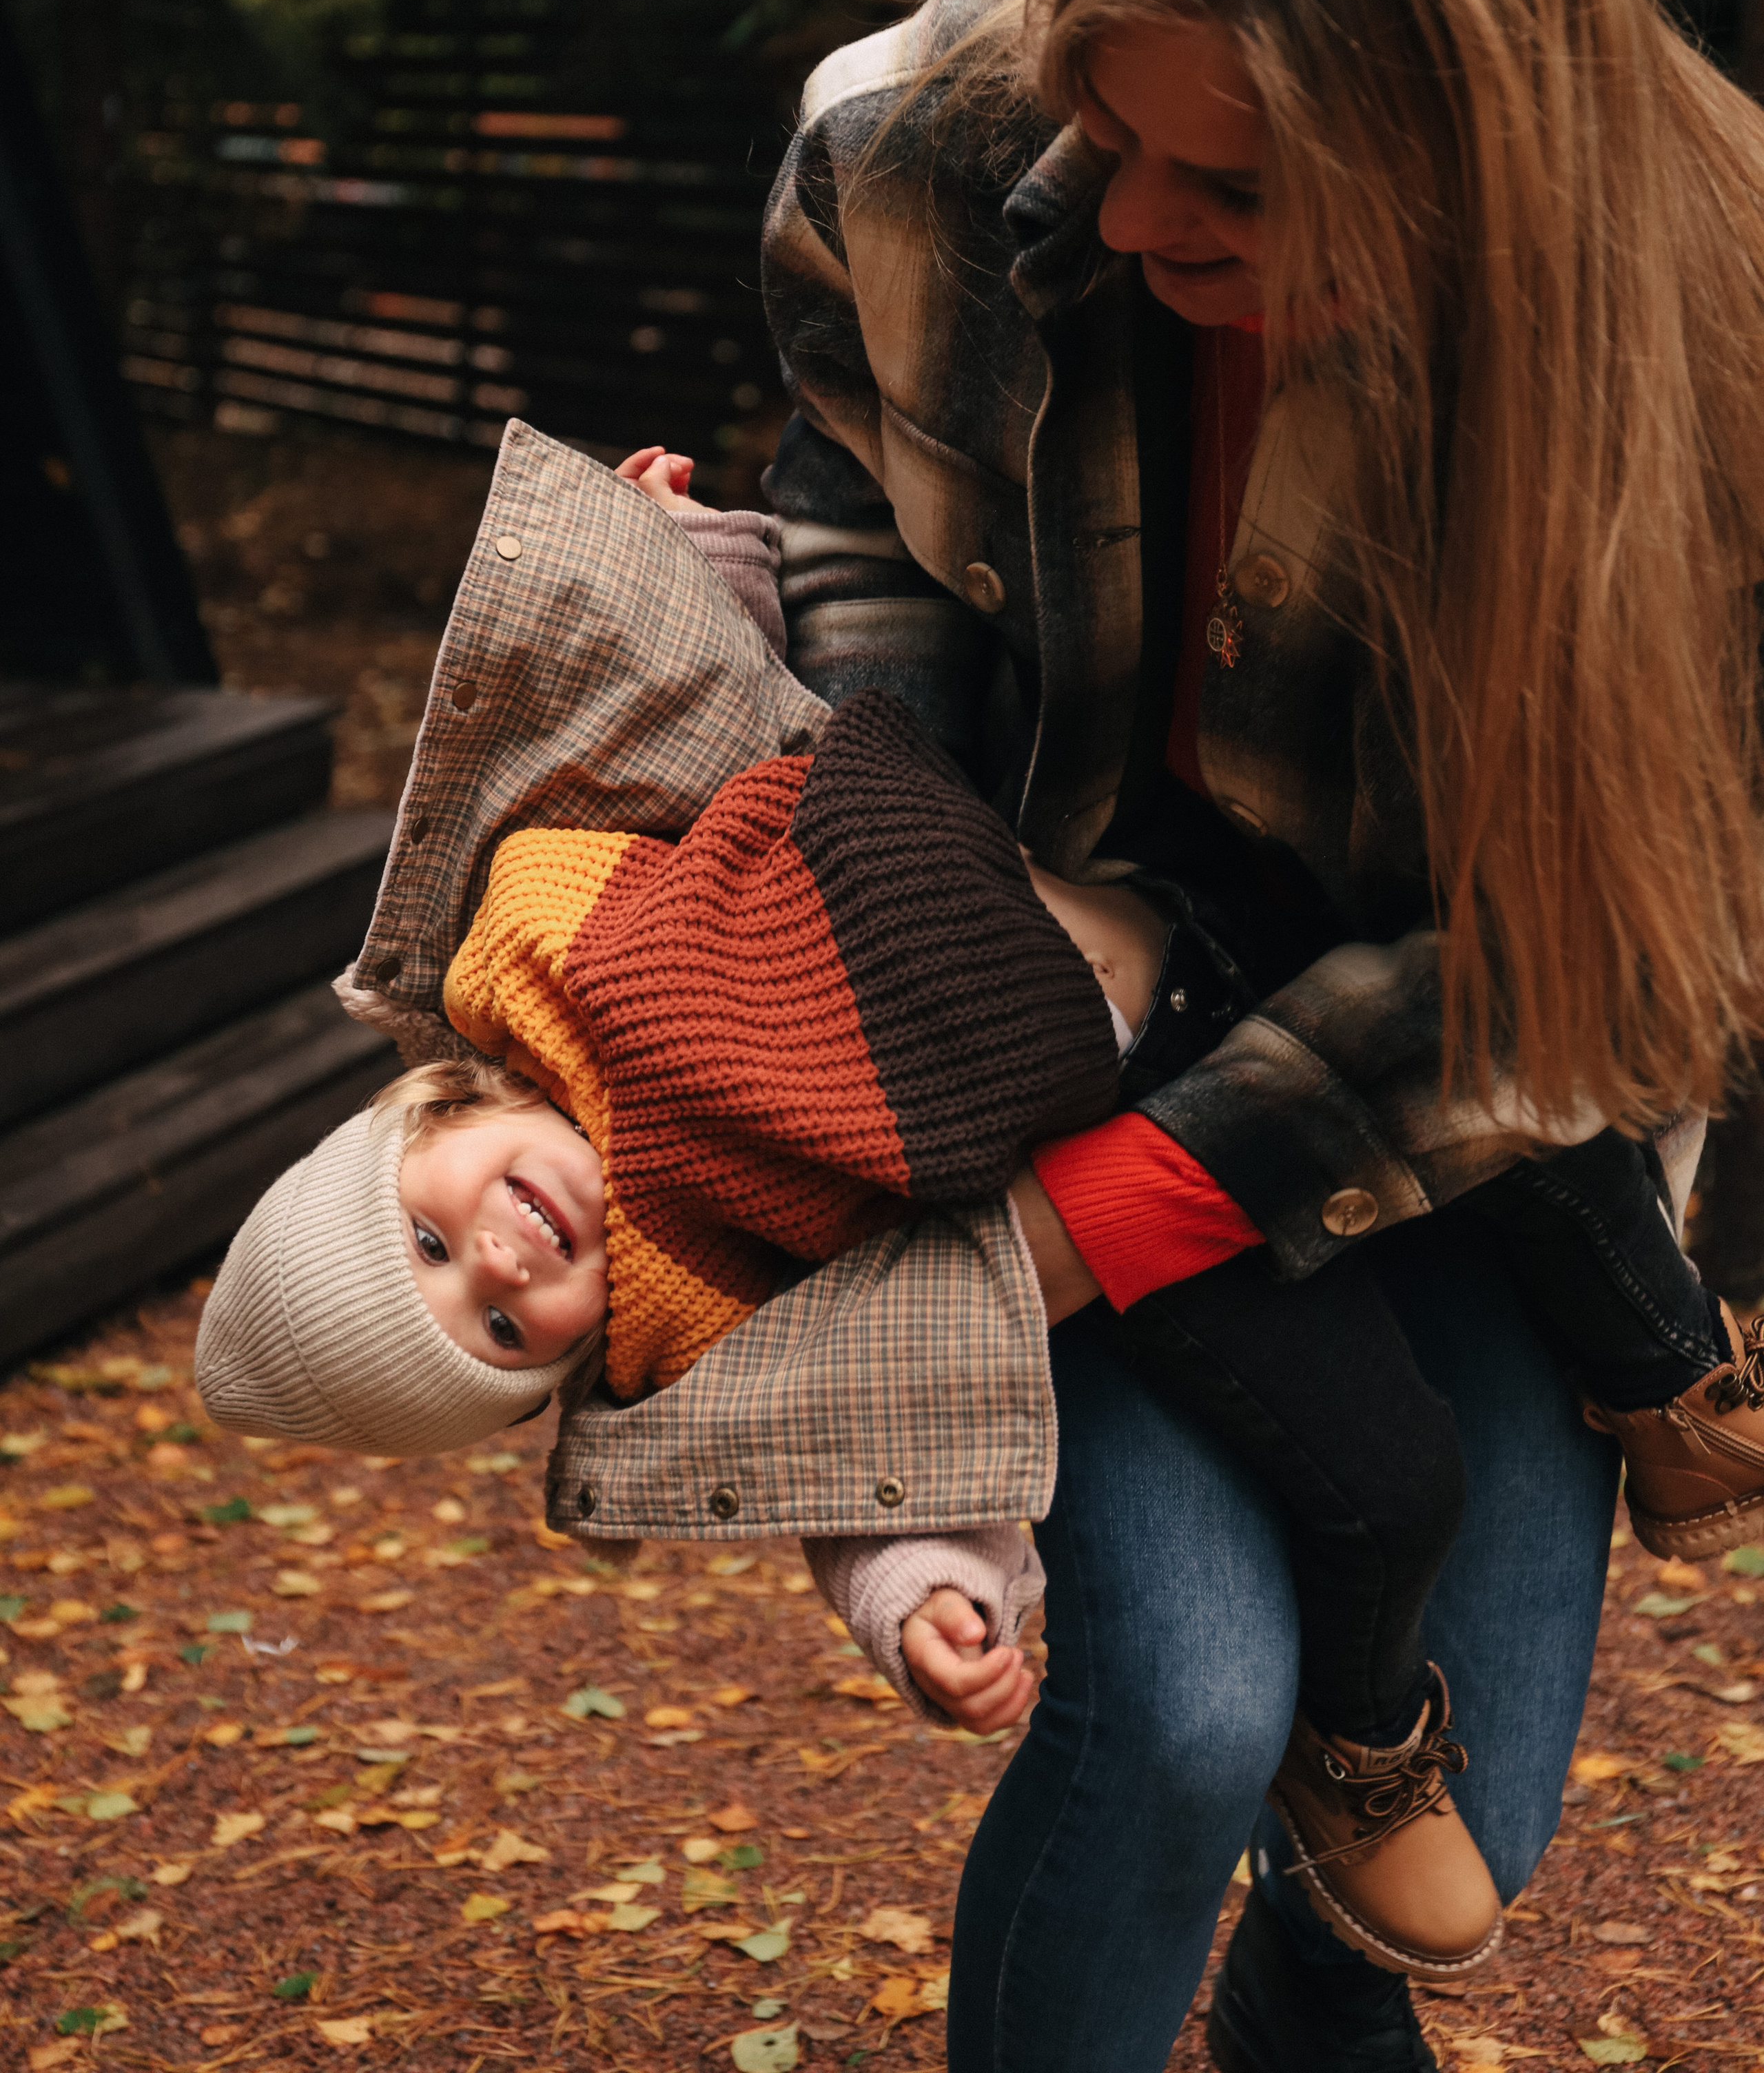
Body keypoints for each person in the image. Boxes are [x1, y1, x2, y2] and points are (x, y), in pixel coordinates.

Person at [754, 0, 1764, 2071]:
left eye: (1235, 189)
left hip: (1470, 1107)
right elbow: (840, 473)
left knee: (1451, 1853)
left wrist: (1098, 1235)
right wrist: (893, 797)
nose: (1116, 214)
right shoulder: (915, 141)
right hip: (1048, 1033)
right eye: (1108, 126)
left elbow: (1598, 963)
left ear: (1476, 178)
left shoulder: (1714, 348)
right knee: (1195, 1709)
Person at [195, 435, 1764, 1990]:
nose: (499, 1263)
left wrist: (673, 545)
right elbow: (860, 1436)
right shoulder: (695, 1318)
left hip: (1143, 896)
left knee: (1509, 1071)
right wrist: (925, 1597)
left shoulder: (534, 916)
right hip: (1135, 1127)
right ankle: (1355, 1746)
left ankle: (1668, 1379)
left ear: (425, 1122)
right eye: (492, 1334)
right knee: (1395, 1478)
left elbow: (681, 700)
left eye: (428, 1237)